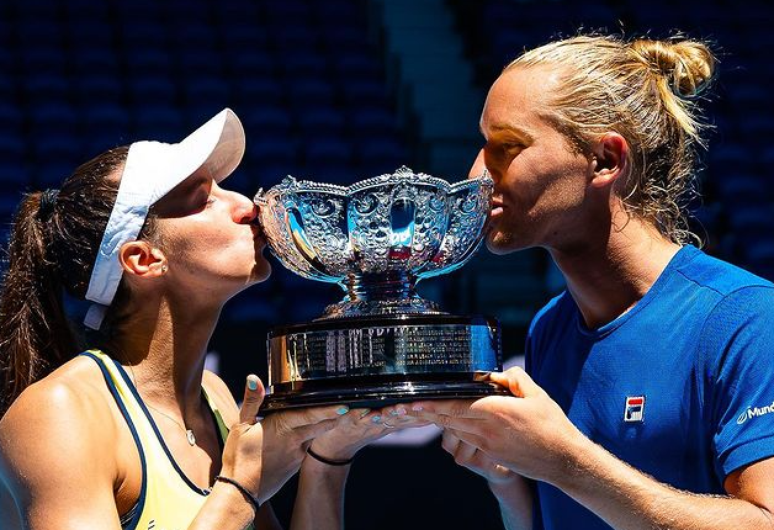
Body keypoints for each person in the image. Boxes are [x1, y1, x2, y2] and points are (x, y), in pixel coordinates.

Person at [407, 34, 774, 529]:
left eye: (507, 146)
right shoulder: (549, 329)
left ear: (604, 160)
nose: (478, 175)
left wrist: (564, 462)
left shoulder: (747, 318)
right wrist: (509, 483)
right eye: (482, 146)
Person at [0, 108, 411, 530]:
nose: (248, 205)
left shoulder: (214, 395)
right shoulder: (59, 412)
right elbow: (238, 497)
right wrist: (240, 490)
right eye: (204, 199)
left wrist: (329, 457)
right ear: (143, 260)